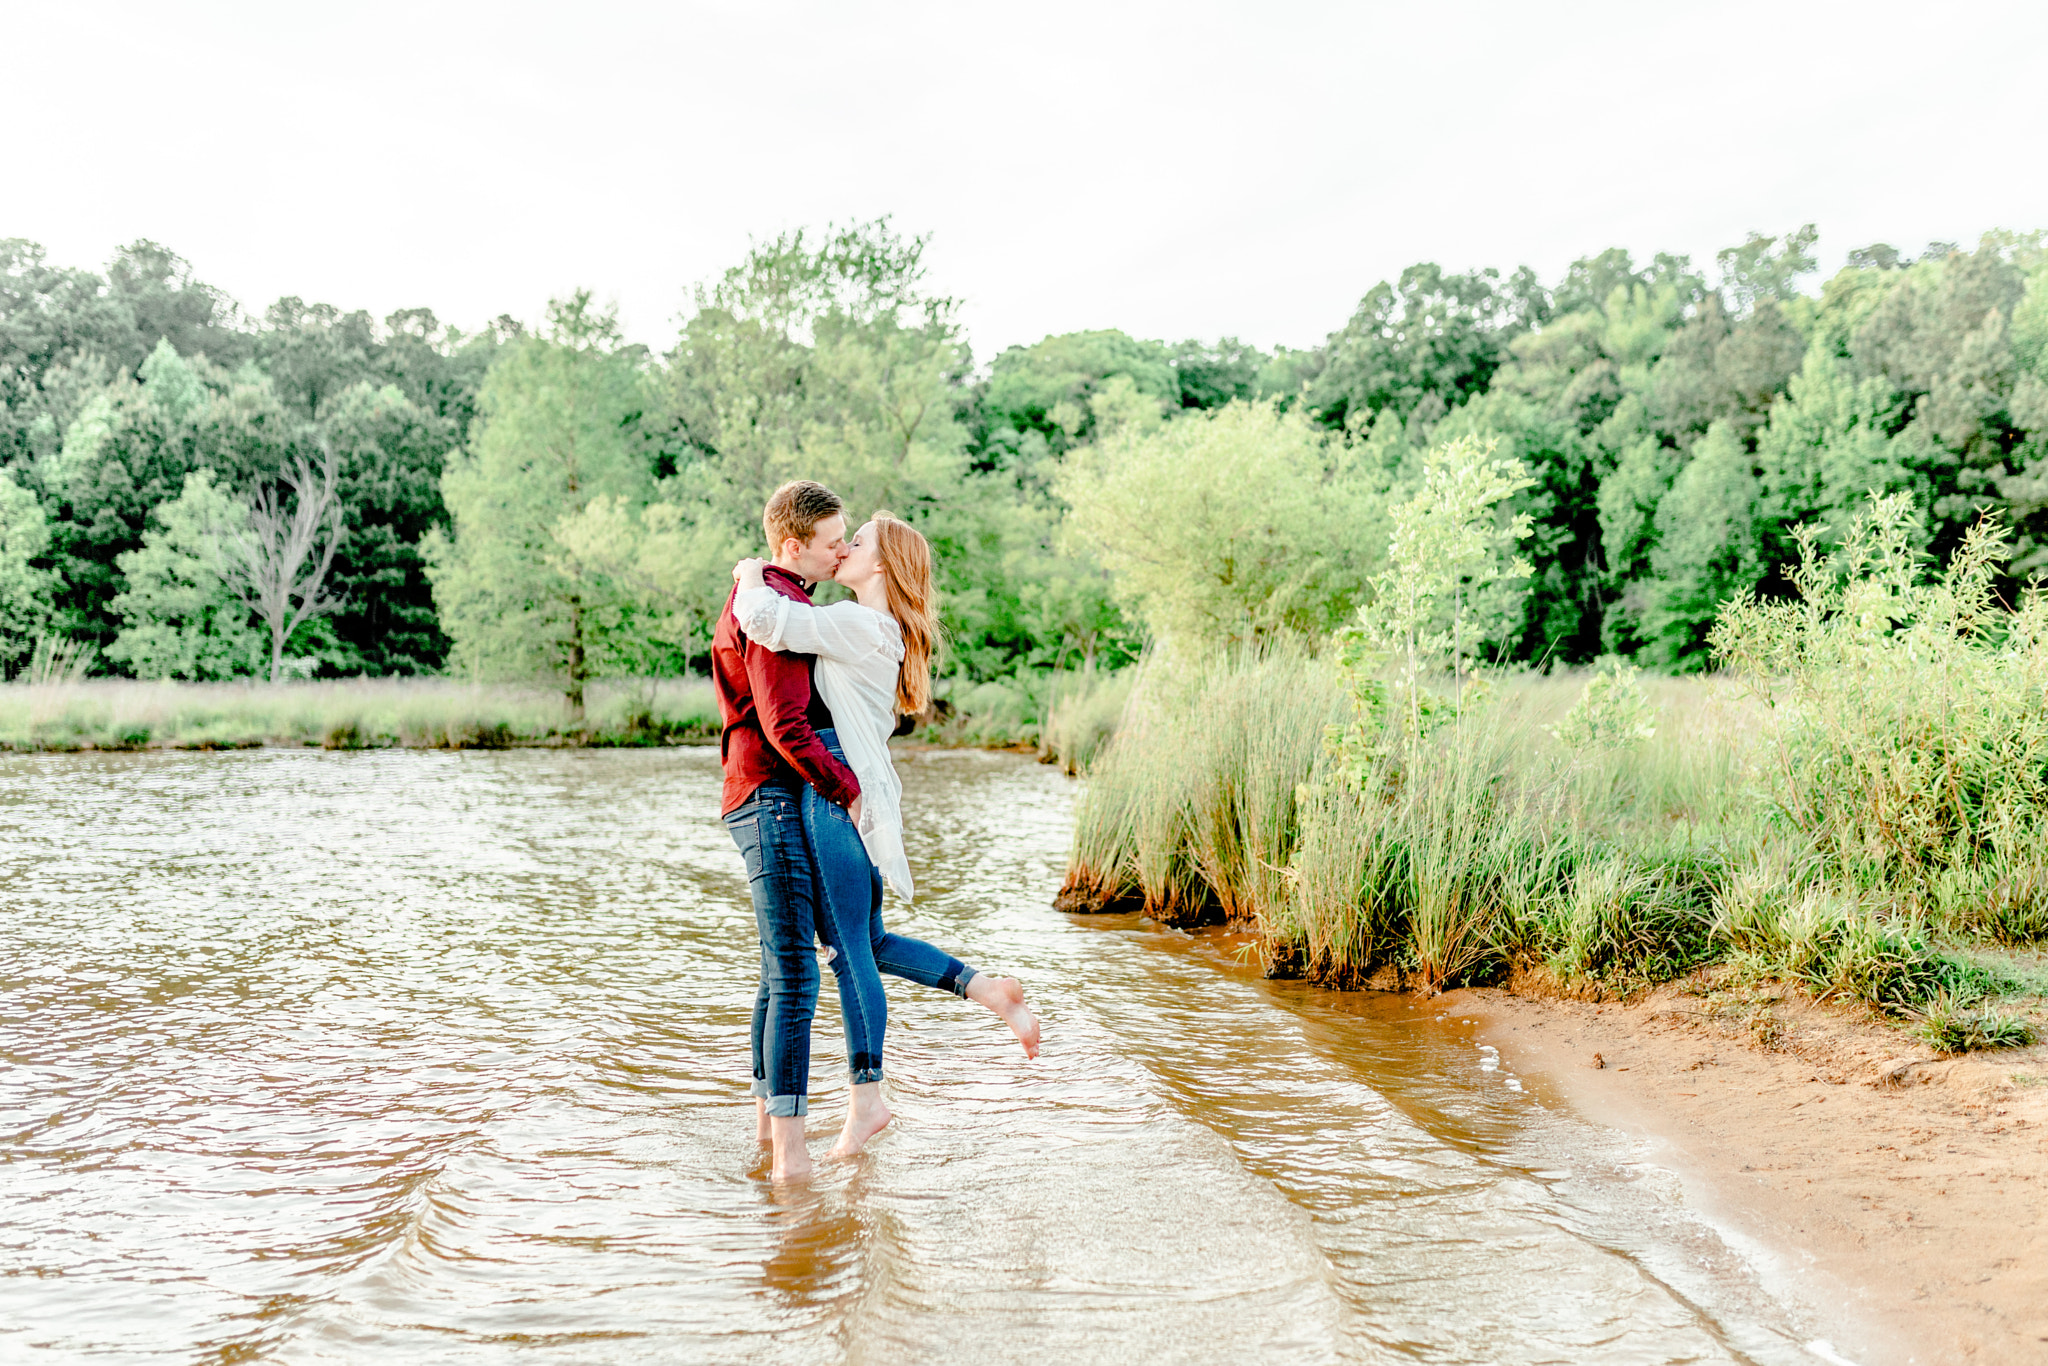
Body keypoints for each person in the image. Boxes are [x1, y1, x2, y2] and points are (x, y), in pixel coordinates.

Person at [732, 511, 1040, 1159]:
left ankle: (868, 1098)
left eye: (858, 542)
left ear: (880, 566)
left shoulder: (860, 624)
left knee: (848, 952)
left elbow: (765, 620)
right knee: (868, 939)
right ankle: (985, 989)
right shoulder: (879, 629)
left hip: (838, 785)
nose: (844, 548)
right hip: (854, 783)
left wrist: (748, 571)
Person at [712, 480, 859, 1183]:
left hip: (755, 794)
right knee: (796, 971)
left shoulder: (764, 593)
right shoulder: (775, 607)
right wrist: (846, 786)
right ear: (794, 545)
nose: (842, 552)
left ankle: (770, 1136)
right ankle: (792, 1162)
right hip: (769, 797)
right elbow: (783, 724)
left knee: (780, 969)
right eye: (833, 542)